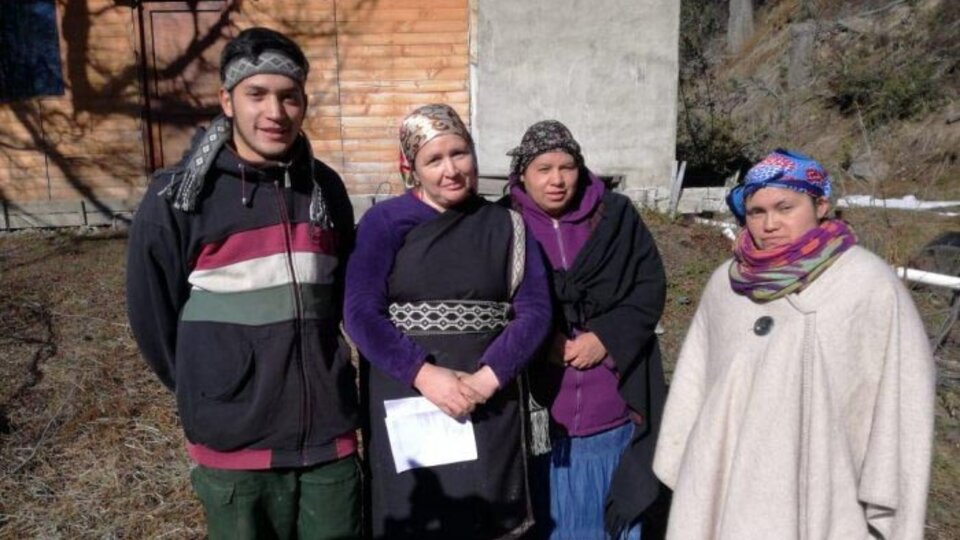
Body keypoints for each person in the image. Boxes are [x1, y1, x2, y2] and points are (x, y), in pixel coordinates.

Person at [126, 27, 359, 539]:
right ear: (226, 101)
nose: (274, 112)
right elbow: (154, 320)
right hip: (235, 442)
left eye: (288, 96)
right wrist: (215, 386)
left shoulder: (324, 189)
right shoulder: (179, 198)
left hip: (328, 436)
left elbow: (344, 295)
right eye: (257, 94)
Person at [653, 149, 936, 539]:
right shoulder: (727, 285)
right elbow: (697, 392)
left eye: (785, 207)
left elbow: (902, 403)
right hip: (730, 490)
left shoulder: (867, 283)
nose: (770, 224)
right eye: (756, 211)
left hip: (827, 490)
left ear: (820, 204)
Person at [343, 104, 552, 539]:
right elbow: (360, 312)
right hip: (408, 396)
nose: (451, 170)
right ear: (412, 169)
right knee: (421, 516)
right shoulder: (384, 222)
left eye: (460, 153)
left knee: (487, 515)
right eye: (434, 160)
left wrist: (488, 379)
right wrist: (424, 374)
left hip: (490, 399)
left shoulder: (507, 225)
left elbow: (535, 310)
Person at [504, 120, 668, 540]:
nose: (557, 180)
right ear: (522, 173)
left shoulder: (616, 217)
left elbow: (648, 286)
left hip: (611, 412)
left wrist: (606, 339)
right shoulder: (502, 223)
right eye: (543, 168)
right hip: (540, 420)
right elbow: (487, 299)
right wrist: (538, 340)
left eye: (567, 166)